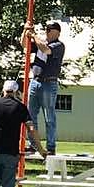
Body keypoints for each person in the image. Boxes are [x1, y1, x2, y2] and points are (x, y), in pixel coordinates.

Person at [20, 20, 66, 156]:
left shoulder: (58, 45)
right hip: (35, 81)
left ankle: (51, 147)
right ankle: (33, 144)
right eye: (46, 29)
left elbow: (45, 49)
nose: (46, 32)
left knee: (49, 117)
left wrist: (33, 35)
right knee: (31, 115)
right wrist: (25, 31)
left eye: (48, 30)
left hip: (49, 83)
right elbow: (24, 45)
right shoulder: (40, 42)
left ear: (56, 32)